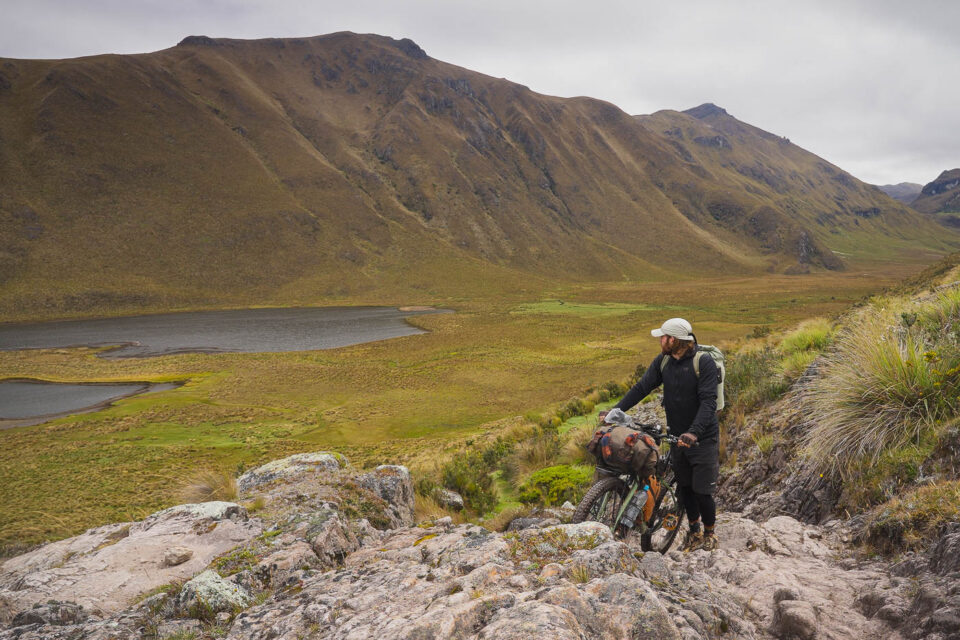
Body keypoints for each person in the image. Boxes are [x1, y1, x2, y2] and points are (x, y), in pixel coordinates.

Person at [602, 317, 720, 551]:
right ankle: (694, 532)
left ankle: (709, 534)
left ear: (673, 340)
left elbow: (709, 402)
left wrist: (694, 433)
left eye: (663, 337)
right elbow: (642, 388)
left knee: (702, 491)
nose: (660, 340)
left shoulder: (703, 362)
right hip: (677, 436)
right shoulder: (664, 361)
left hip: (702, 440)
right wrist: (616, 411)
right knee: (684, 487)